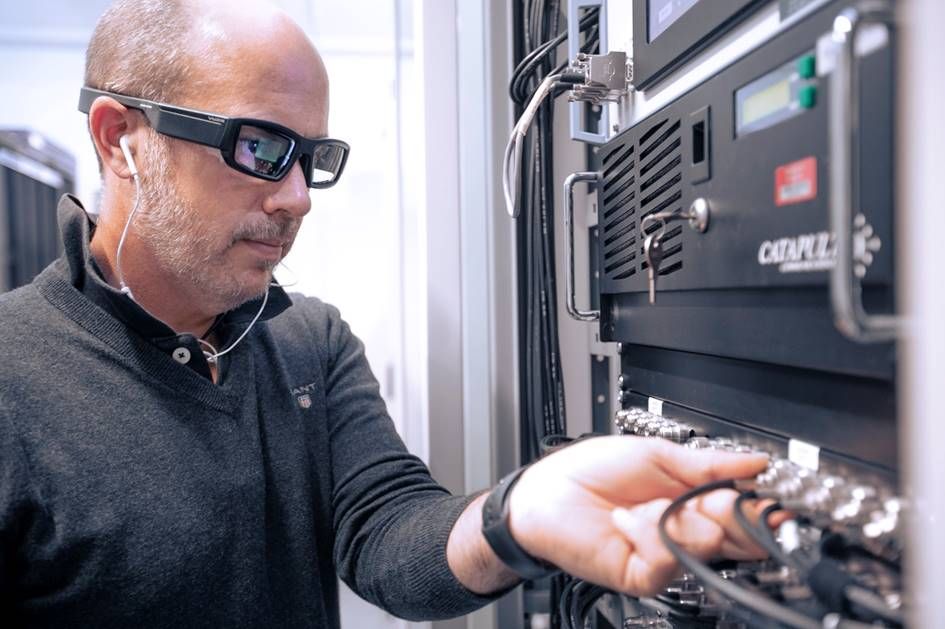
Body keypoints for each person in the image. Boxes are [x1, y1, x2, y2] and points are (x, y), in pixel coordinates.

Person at [0, 1, 773, 626]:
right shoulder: (13, 378)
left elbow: (387, 534)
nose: (297, 196)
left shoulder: (307, 340)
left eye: (312, 158)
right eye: (261, 147)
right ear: (120, 140)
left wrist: (519, 515)